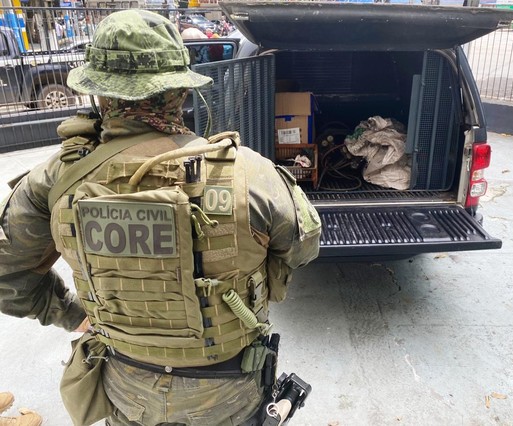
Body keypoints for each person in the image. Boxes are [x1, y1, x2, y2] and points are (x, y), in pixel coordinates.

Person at [0, 9, 321, 426]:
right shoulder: (249, 174)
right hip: (228, 391)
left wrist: (73, 315)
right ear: (181, 92)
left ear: (100, 94)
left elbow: (8, 276)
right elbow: (303, 247)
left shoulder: (56, 179)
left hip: (126, 385)